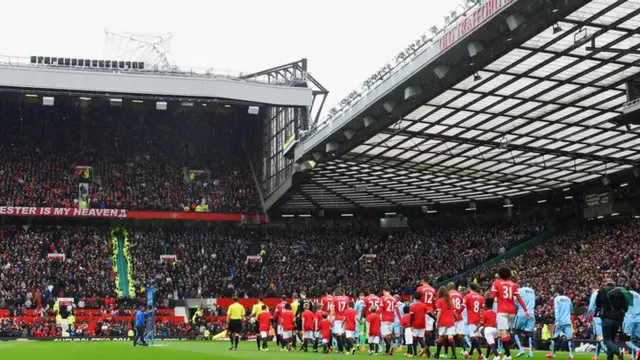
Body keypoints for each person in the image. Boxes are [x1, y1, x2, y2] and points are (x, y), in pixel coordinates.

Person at [490, 267, 529, 360]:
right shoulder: (514, 284)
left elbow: (492, 297)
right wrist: (526, 310)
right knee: (507, 333)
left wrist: (487, 308)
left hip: (502, 311)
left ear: (499, 274)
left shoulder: (496, 283)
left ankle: (508, 355)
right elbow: (519, 298)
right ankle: (507, 355)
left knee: (503, 332)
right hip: (512, 312)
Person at [596, 278, 627, 360]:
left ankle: (618, 352)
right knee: (611, 340)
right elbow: (625, 308)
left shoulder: (601, 291)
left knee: (606, 340)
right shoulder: (620, 292)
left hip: (606, 319)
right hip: (617, 320)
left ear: (606, 283)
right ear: (613, 284)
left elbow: (597, 304)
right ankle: (610, 358)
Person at [547, 286, 574, 360]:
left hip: (560, 322)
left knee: (554, 338)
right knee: (569, 338)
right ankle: (571, 355)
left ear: (557, 292)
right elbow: (571, 309)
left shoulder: (557, 299)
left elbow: (557, 311)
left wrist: (557, 321)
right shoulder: (568, 299)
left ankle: (553, 354)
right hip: (567, 321)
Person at [584, 285, 607, 360]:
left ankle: (610, 353)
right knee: (599, 338)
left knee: (600, 337)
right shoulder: (605, 293)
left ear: (593, 289)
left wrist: (585, 317)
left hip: (597, 318)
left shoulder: (594, 294)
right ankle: (596, 355)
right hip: (605, 318)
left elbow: (590, 308)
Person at [514, 281, 536, 358]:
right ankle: (531, 352)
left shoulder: (519, 291)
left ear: (519, 285)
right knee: (530, 334)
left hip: (522, 313)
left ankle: (521, 349)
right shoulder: (532, 291)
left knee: (515, 331)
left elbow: (515, 303)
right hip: (532, 314)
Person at [435, 286, 457, 360]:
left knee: (441, 337)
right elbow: (454, 312)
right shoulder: (450, 300)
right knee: (450, 337)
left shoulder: (440, 301)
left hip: (443, 321)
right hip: (451, 321)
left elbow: (439, 312)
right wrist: (456, 319)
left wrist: (437, 322)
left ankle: (437, 354)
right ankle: (454, 355)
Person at [463, 283, 484, 358]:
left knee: (473, 337)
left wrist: (456, 313)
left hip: (471, 318)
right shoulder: (481, 297)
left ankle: (477, 354)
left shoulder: (467, 296)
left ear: (469, 288)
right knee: (475, 337)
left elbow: (462, 306)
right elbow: (484, 308)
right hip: (478, 318)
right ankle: (477, 354)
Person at [418, 280, 438, 354]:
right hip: (430, 312)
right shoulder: (433, 290)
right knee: (428, 331)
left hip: (422, 311)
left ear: (423, 281)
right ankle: (427, 348)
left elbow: (417, 299)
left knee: (420, 330)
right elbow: (435, 303)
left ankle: (423, 347)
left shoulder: (420, 288)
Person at [380, 286, 400, 355]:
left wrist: (378, 316)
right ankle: (388, 351)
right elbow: (397, 310)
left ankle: (390, 345)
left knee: (384, 335)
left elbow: (381, 309)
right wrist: (400, 318)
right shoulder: (393, 299)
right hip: (392, 319)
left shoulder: (383, 298)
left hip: (385, 318)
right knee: (388, 335)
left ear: (384, 291)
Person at [410, 291, 430, 358]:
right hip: (422, 324)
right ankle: (425, 347)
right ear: (421, 297)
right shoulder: (424, 305)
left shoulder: (413, 306)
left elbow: (412, 317)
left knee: (414, 339)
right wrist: (435, 318)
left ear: (414, 297)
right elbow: (429, 313)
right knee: (420, 338)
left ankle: (415, 354)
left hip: (416, 324)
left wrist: (411, 325)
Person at [449, 283, 467, 355]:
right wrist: (458, 313)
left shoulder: (448, 294)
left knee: (449, 335)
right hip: (459, 317)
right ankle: (465, 351)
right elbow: (463, 305)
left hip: (451, 317)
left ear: (449, 287)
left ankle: (451, 353)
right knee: (460, 335)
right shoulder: (459, 294)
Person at [624, 280, 640, 360]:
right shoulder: (638, 295)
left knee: (627, 339)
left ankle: (637, 350)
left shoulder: (626, 294)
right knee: (636, 339)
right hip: (638, 319)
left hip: (629, 319)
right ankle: (633, 356)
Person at [331, 288, 350, 353]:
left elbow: (332, 310)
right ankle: (347, 348)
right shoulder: (346, 298)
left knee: (339, 334)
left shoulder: (334, 299)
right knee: (344, 333)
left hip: (337, 318)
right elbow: (348, 308)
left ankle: (340, 350)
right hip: (345, 317)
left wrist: (331, 319)